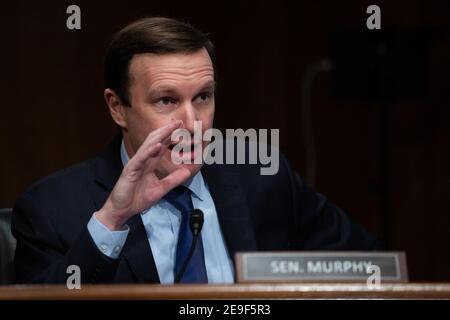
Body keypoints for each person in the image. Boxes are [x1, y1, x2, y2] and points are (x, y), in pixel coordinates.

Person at [12, 17, 382, 284]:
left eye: (203, 97)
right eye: (166, 100)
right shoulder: (52, 210)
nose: (193, 124)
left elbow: (373, 270)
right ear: (117, 107)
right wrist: (112, 220)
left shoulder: (261, 178)